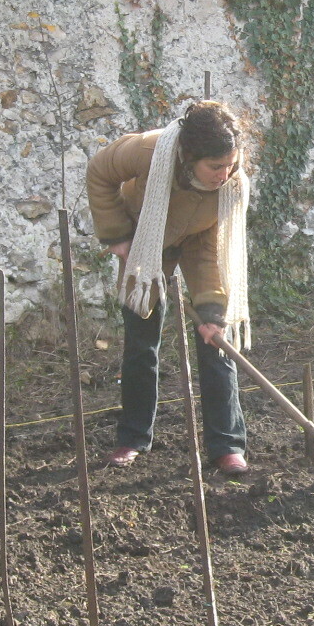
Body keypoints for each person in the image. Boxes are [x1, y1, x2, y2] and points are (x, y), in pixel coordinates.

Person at [86, 101, 252, 476]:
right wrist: (117, 235)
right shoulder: (148, 150)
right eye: (215, 167)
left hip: (199, 243)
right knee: (141, 341)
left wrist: (211, 312)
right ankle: (132, 438)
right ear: (189, 158)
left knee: (216, 338)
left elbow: (211, 250)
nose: (224, 174)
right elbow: (99, 171)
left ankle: (227, 445)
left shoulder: (231, 185)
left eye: (229, 164)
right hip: (145, 238)